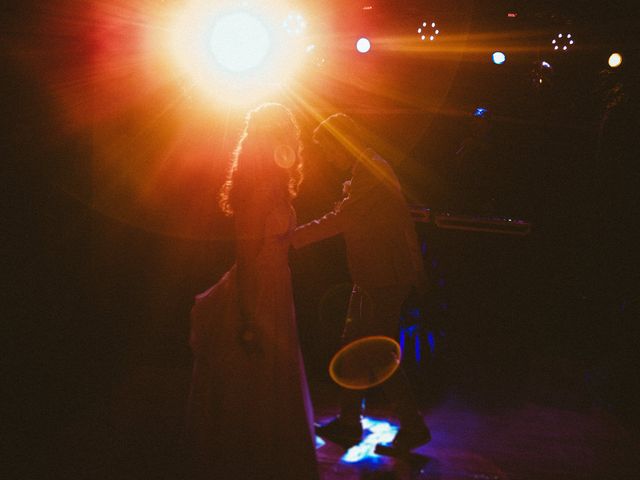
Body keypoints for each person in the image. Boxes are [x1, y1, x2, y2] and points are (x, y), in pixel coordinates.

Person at [186, 103, 319, 479]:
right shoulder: (255, 190)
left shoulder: (278, 185)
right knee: (254, 381)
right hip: (258, 291)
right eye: (283, 133)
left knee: (274, 380)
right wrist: (245, 318)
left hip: (279, 286)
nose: (290, 141)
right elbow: (245, 259)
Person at [292, 113, 431, 455]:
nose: (327, 156)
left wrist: (293, 239)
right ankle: (350, 421)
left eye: (328, 148)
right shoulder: (366, 168)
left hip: (383, 276)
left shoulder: (370, 170)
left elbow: (344, 218)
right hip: (374, 276)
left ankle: (411, 426)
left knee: (376, 353)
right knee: (353, 346)